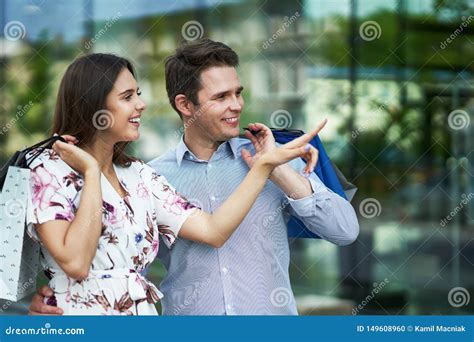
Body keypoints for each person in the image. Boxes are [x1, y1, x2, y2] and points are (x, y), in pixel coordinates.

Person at [30, 39, 359, 316]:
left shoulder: (271, 156)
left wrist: (276, 170)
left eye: (237, 93)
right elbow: (109, 260)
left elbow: (344, 231)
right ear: (185, 105)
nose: (237, 106)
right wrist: (57, 297)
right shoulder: (152, 174)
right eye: (220, 97)